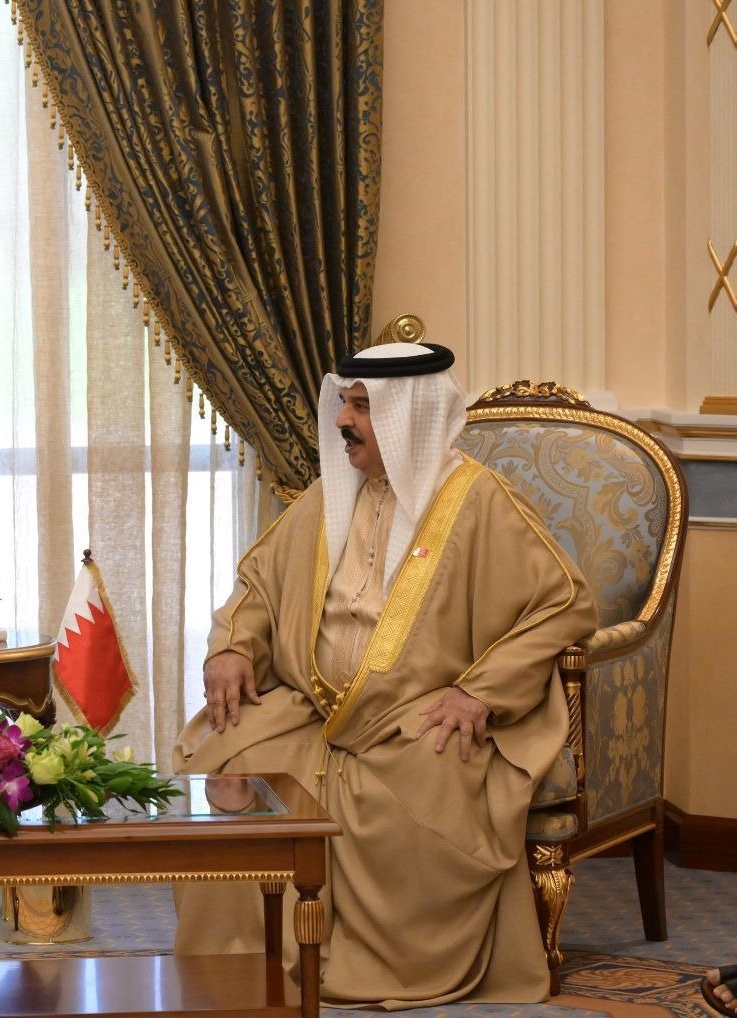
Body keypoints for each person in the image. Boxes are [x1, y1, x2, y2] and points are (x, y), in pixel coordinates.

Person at [172, 341, 598, 1008]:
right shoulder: (331, 496)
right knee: (225, 756)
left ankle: (379, 967)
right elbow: (257, 586)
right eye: (344, 403)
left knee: (426, 795)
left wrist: (479, 692)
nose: (344, 421)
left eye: (364, 408)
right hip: (310, 709)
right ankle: (241, 965)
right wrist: (231, 649)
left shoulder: (478, 503)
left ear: (412, 418)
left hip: (415, 719)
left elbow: (564, 603)